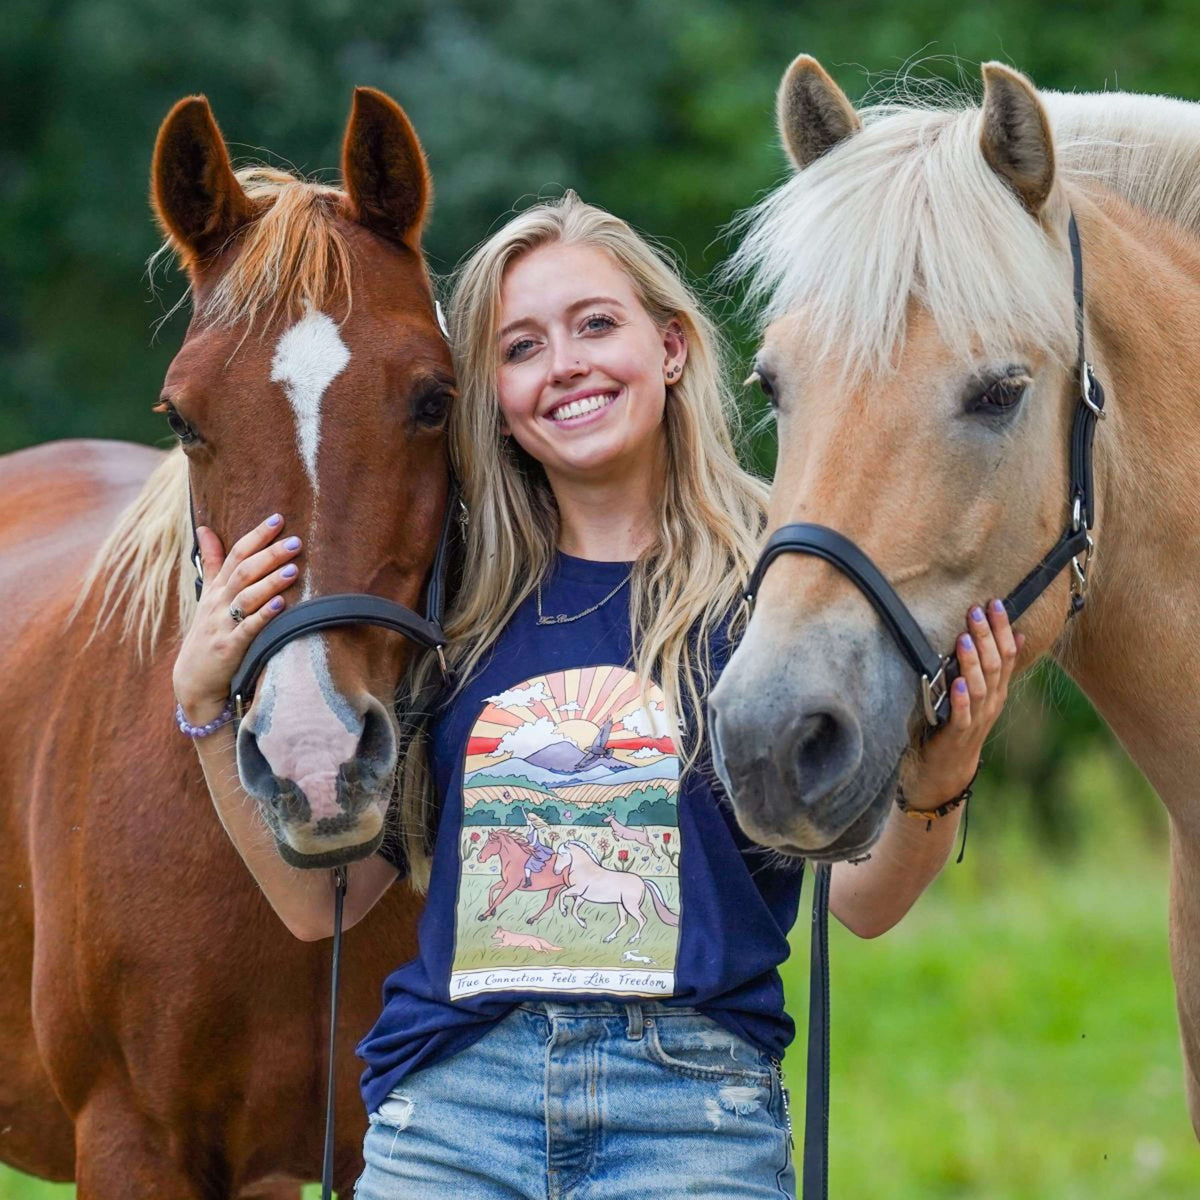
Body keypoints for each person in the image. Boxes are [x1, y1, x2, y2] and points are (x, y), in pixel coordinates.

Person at [173, 193, 1020, 1198]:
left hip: (690, 1120)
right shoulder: (449, 604)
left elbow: (863, 905)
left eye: (596, 325)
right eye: (522, 345)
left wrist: (944, 773)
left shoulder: (780, 590)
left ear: (669, 347)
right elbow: (324, 907)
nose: (565, 363)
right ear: (495, 390)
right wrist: (206, 710)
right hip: (451, 1113)